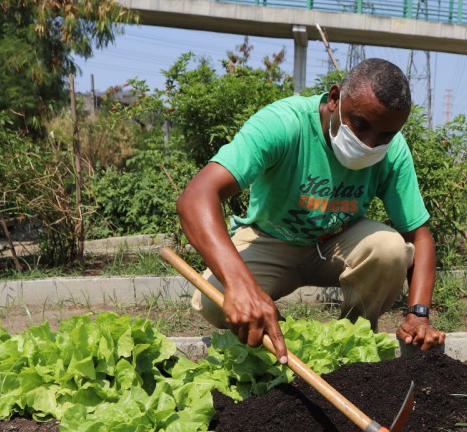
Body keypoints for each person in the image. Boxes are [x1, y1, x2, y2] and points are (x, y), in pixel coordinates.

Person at [176, 57, 446, 362]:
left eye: (385, 135)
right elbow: (196, 197)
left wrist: (419, 315)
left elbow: (419, 237)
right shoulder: (285, 124)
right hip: (270, 237)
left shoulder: (392, 152)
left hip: (337, 243)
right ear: (334, 99)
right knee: (214, 298)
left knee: (391, 249)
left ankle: (351, 349)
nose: (370, 143)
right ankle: (285, 340)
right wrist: (241, 285)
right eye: (360, 124)